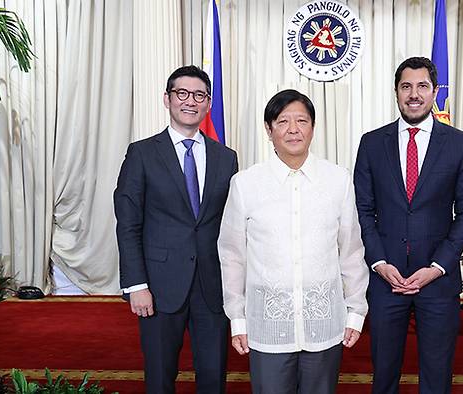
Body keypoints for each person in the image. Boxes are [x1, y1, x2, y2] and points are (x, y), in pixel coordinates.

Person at [217, 89, 369, 394]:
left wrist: (356, 310)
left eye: (302, 120)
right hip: (268, 327)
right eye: (283, 121)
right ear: (269, 129)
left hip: (324, 324)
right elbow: (232, 255)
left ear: (313, 127)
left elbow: (351, 250)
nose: (293, 129)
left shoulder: (338, 180)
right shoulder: (246, 184)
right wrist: (238, 318)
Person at [353, 57, 463, 394]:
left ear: (435, 91)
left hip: (437, 282)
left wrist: (438, 266)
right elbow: (363, 210)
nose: (414, 94)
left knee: (437, 378)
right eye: (406, 86)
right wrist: (379, 263)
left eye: (422, 86)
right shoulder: (371, 143)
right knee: (383, 377)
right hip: (386, 281)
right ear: (396, 92)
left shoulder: (460, 143)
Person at [114, 65, 238, 394]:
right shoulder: (141, 153)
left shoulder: (226, 158)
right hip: (158, 285)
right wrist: (136, 284)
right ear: (167, 100)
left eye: (199, 95)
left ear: (208, 103)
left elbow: (232, 226)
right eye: (181, 94)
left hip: (212, 286)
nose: (190, 101)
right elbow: (128, 223)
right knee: (160, 377)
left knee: (213, 377)